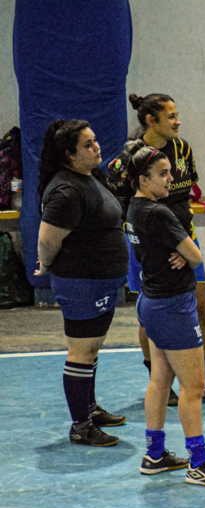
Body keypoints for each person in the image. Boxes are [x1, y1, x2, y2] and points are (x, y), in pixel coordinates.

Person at [123, 140, 205, 487]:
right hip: (172, 306)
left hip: (151, 303)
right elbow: (197, 255)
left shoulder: (134, 208)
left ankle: (155, 455)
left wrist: (178, 252)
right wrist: (184, 252)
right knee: (195, 385)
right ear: (143, 179)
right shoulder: (158, 212)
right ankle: (198, 464)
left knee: (160, 380)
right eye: (163, 174)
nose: (171, 179)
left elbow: (166, 249)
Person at [108, 93, 205, 405]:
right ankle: (159, 379)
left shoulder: (182, 148)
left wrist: (181, 243)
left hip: (183, 236)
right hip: (149, 246)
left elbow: (185, 194)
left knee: (199, 305)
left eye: (178, 114)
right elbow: (121, 203)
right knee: (148, 313)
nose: (178, 121)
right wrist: (157, 244)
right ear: (151, 121)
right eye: (171, 116)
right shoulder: (129, 157)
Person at [36, 119, 128, 446]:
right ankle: (80, 426)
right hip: (80, 283)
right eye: (87, 145)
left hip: (100, 282)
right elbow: (47, 240)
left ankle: (88, 408)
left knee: (92, 348)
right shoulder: (65, 189)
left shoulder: (89, 177)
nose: (96, 147)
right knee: (81, 350)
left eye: (95, 140)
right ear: (68, 155)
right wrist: (45, 264)